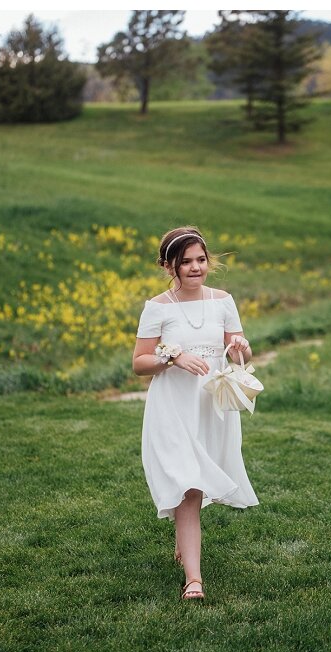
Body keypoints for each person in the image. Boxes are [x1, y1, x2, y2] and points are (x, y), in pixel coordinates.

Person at [132, 226, 258, 601]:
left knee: (196, 483)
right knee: (189, 488)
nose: (195, 267)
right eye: (185, 262)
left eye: (200, 259)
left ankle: (184, 545)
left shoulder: (223, 301)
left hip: (210, 407)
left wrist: (240, 346)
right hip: (172, 408)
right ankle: (194, 581)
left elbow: (239, 353)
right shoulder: (156, 307)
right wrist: (172, 357)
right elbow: (140, 363)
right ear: (168, 265)